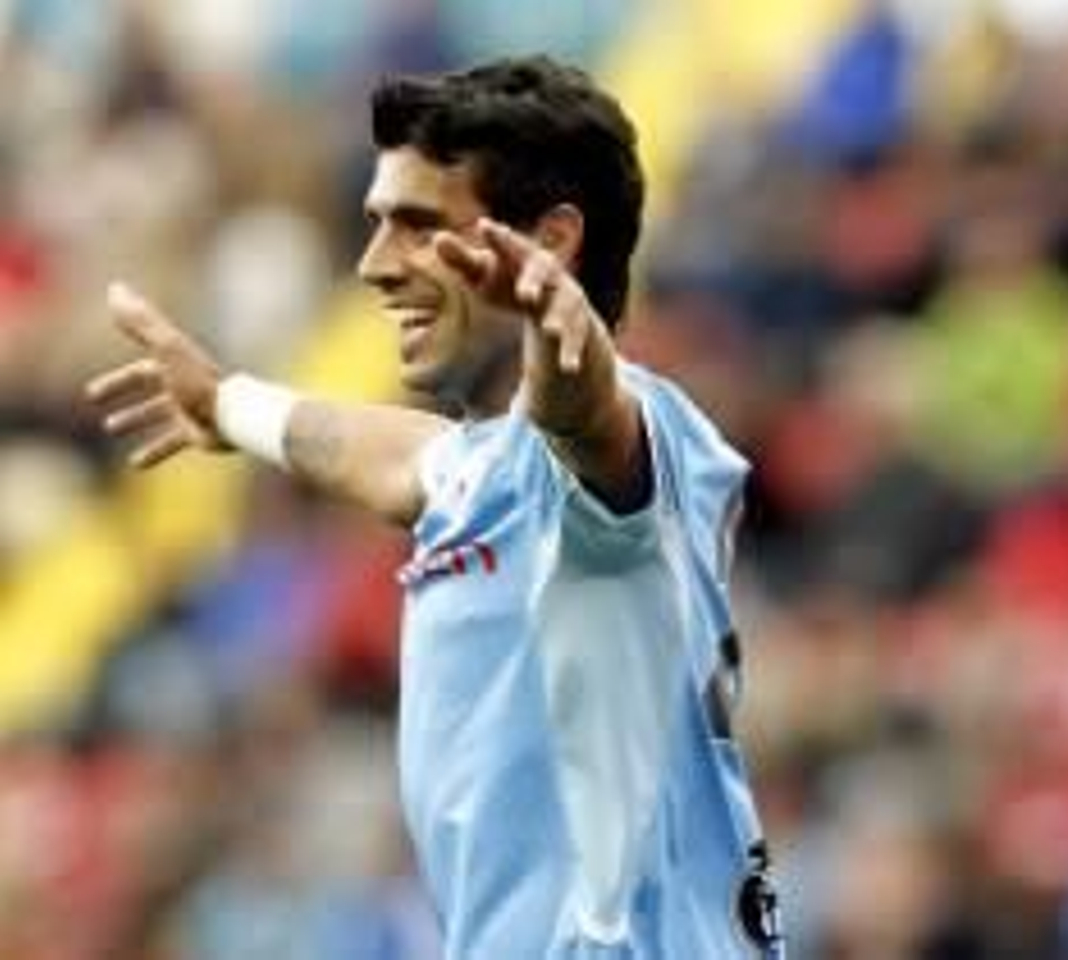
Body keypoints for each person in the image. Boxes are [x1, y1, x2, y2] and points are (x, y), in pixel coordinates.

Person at [85, 56, 782, 959]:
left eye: (417, 227)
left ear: (550, 244)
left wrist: (568, 358)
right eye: (378, 227)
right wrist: (229, 405)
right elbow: (389, 459)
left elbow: (590, 423)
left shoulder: (633, 443)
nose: (375, 267)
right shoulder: (483, 471)